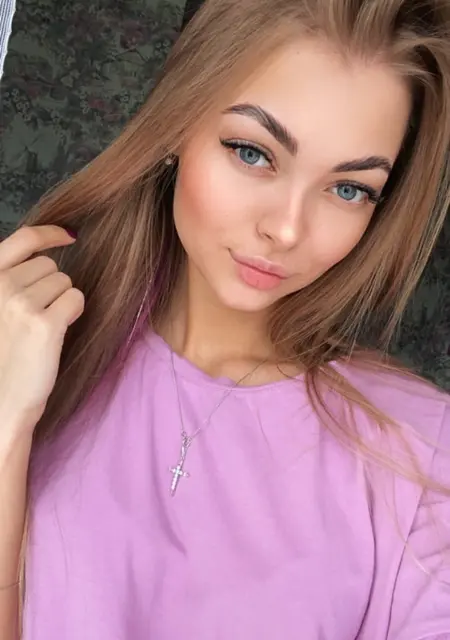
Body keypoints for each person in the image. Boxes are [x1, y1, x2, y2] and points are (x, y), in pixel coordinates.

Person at [0, 0, 449, 637]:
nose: (287, 229)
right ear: (177, 126)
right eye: (253, 152)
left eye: (348, 189)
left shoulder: (421, 453)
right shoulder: (27, 352)